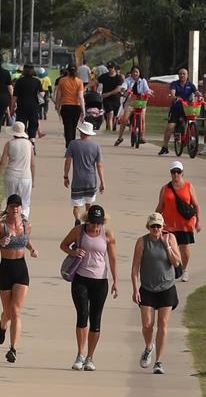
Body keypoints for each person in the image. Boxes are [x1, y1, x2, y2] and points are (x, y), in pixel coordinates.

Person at [58, 204, 118, 372]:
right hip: (81, 279)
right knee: (82, 315)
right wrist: (73, 252)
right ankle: (80, 354)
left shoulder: (107, 234)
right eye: (93, 222)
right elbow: (63, 245)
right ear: (87, 220)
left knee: (96, 319)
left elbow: (113, 258)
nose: (95, 226)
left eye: (98, 223)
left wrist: (116, 281)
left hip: (100, 281)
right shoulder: (79, 231)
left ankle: (90, 357)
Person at [0, 194, 37, 364]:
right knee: (7, 312)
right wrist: (0, 242)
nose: (15, 209)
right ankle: (2, 324)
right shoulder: (1, 226)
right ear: (7, 208)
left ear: (21, 208)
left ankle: (13, 349)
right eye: (12, 206)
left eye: (17, 206)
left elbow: (26, 241)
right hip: (5, 269)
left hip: (21, 269)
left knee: (16, 311)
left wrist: (32, 249)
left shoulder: (27, 225)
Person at [131, 212, 182, 374]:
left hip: (167, 288)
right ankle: (148, 347)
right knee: (147, 325)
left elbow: (176, 262)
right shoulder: (142, 242)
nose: (155, 229)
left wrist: (166, 245)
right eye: (153, 226)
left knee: (163, 324)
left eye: (158, 226)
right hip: (147, 288)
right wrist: (135, 289)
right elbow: (135, 269)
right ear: (148, 227)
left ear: (163, 227)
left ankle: (159, 361)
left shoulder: (170, 238)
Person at [156, 160, 199, 282]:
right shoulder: (165, 188)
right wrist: (154, 219)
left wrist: (198, 221)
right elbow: (160, 206)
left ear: (182, 173)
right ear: (170, 173)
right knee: (167, 248)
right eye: (173, 172)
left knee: (184, 248)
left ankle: (184, 270)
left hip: (185, 224)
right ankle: (172, 270)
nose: (176, 175)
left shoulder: (188, 187)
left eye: (178, 172)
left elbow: (196, 205)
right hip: (168, 224)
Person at [63, 121, 105, 224]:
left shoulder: (73, 144)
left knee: (76, 205)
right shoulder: (96, 147)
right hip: (91, 180)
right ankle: (88, 221)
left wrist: (65, 176)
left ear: (81, 132)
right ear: (90, 133)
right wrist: (102, 182)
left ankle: (77, 219)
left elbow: (68, 161)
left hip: (77, 180)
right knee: (89, 203)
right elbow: (99, 165)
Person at [0, 121, 35, 218]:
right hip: (26, 177)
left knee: (10, 200)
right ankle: (23, 222)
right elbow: (32, 164)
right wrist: (33, 180)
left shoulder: (9, 144)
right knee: (25, 202)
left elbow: (2, 162)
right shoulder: (29, 144)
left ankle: (11, 221)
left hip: (11, 176)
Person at [160, 67, 199, 155]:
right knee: (170, 127)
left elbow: (196, 92)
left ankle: (191, 139)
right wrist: (174, 97)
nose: (182, 75)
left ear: (187, 75)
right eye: (180, 74)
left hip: (187, 109)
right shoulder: (174, 84)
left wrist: (199, 95)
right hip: (176, 108)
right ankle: (165, 147)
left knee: (192, 123)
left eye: (184, 74)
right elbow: (173, 92)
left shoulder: (190, 85)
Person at [114, 66, 152, 146]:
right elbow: (124, 86)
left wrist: (148, 92)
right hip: (130, 102)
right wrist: (125, 90)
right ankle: (120, 137)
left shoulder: (143, 81)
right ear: (131, 73)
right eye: (133, 72)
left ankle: (141, 136)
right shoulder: (128, 80)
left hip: (141, 102)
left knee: (142, 119)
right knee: (124, 119)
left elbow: (147, 89)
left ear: (139, 73)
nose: (135, 73)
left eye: (137, 72)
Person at [54, 64, 86, 147]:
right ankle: (72, 144)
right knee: (73, 127)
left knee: (67, 126)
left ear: (67, 71)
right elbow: (80, 97)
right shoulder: (79, 81)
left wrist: (57, 105)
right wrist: (83, 110)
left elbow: (59, 95)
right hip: (76, 107)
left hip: (65, 106)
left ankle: (69, 144)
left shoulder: (62, 81)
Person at [12, 64, 44, 139]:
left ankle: (21, 139)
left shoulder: (19, 81)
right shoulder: (37, 81)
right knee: (33, 124)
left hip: (22, 106)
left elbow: (14, 96)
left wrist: (12, 107)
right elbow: (42, 94)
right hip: (33, 106)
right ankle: (32, 140)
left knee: (21, 124)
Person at [96, 63, 123, 134]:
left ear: (114, 68)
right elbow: (96, 81)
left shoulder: (118, 78)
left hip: (116, 99)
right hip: (107, 100)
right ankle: (110, 133)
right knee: (110, 114)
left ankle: (110, 127)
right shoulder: (104, 76)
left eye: (111, 67)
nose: (110, 69)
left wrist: (108, 94)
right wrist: (86, 87)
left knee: (114, 117)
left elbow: (118, 89)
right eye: (109, 68)